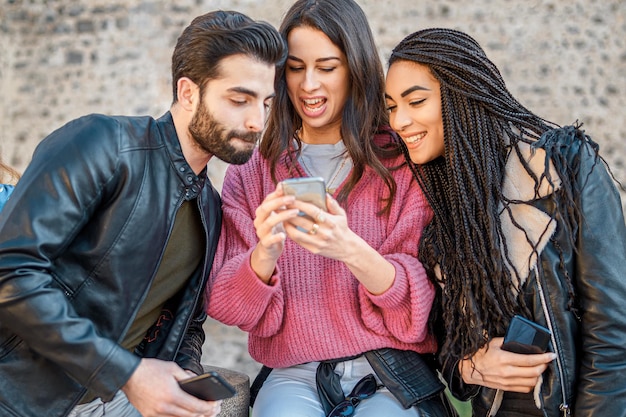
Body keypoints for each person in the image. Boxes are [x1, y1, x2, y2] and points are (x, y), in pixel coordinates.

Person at [0, 10, 286, 417]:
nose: (257, 121)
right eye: (239, 100)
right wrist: (128, 374)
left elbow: (188, 323)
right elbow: (11, 269)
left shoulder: (210, 207)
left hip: (117, 398)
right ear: (188, 93)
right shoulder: (103, 144)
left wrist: (186, 379)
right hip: (21, 399)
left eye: (266, 103)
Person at [206, 1, 456, 416]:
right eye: (296, 67)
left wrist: (350, 249)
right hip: (292, 371)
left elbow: (420, 305)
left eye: (327, 67)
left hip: (388, 370)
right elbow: (227, 305)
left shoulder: (402, 161)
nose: (308, 85)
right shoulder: (252, 171)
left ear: (354, 69)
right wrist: (263, 255)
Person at [384, 28, 626, 417]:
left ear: (461, 95)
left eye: (415, 101)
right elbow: (442, 343)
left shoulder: (567, 167)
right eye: (391, 106)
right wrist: (469, 366)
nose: (399, 121)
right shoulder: (437, 203)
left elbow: (612, 336)